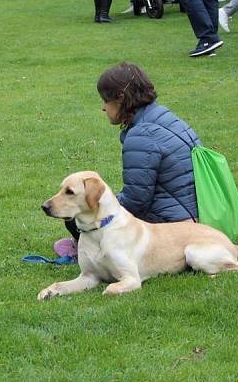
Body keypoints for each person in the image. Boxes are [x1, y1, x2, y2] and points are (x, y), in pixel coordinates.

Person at [53, 62, 202, 257]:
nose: (103, 108)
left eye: (105, 101)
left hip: (175, 226)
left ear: (121, 98)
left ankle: (89, 249)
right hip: (193, 215)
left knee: (77, 211)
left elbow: (136, 201)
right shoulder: (164, 117)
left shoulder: (142, 135)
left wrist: (97, 203)